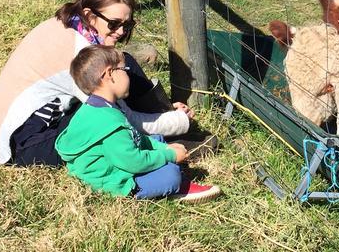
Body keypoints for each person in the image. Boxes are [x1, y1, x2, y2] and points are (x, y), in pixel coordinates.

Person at [0, 0, 216, 167]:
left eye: (127, 25)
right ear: (91, 15)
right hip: (27, 143)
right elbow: (118, 119)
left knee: (124, 63)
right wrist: (178, 122)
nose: (121, 31)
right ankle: (163, 141)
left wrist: (164, 116)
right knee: (108, 128)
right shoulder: (79, 53)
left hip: (30, 125)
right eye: (114, 24)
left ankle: (160, 117)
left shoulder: (72, 25)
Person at [55, 45, 220, 202]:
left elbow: (134, 138)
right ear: (109, 74)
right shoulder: (109, 123)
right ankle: (178, 187)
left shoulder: (97, 107)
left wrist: (163, 148)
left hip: (114, 161)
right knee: (171, 174)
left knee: (157, 139)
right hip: (111, 180)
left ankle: (168, 170)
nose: (129, 75)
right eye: (125, 70)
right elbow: (132, 162)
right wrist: (169, 155)